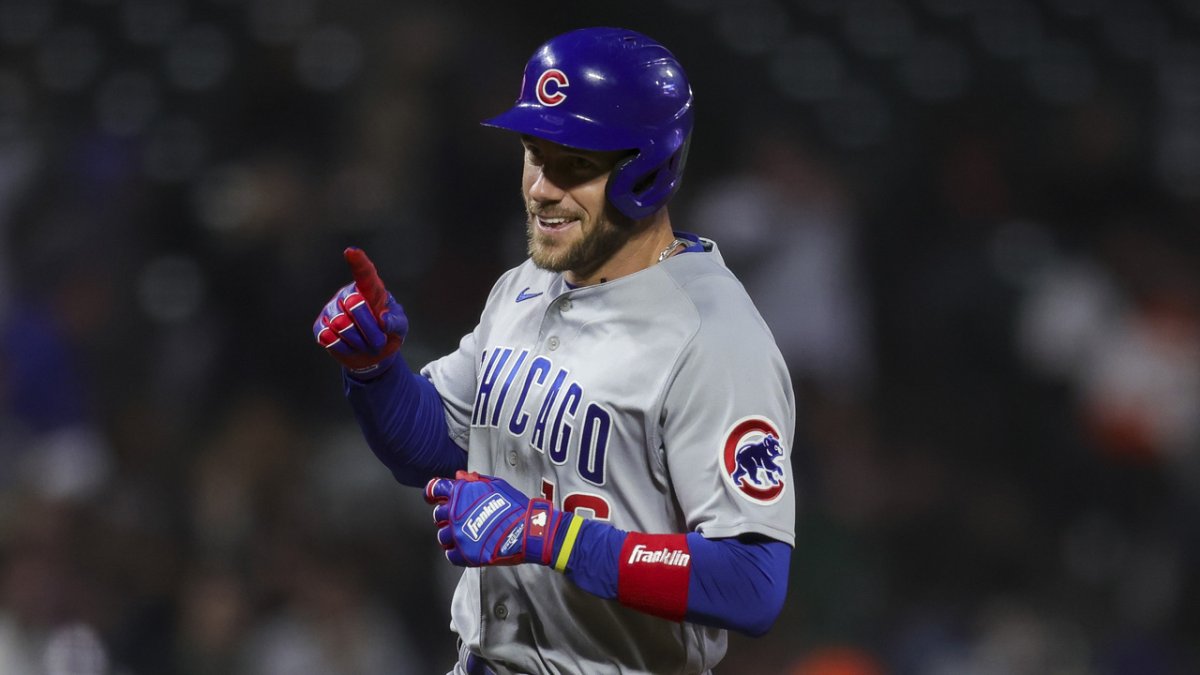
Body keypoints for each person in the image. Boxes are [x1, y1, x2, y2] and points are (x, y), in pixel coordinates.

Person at [313, 27, 796, 675]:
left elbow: (750, 579)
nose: (541, 187)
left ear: (647, 170)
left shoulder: (714, 340)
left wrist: (554, 534)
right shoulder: (525, 286)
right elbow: (435, 449)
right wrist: (376, 373)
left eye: (573, 163)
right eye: (534, 154)